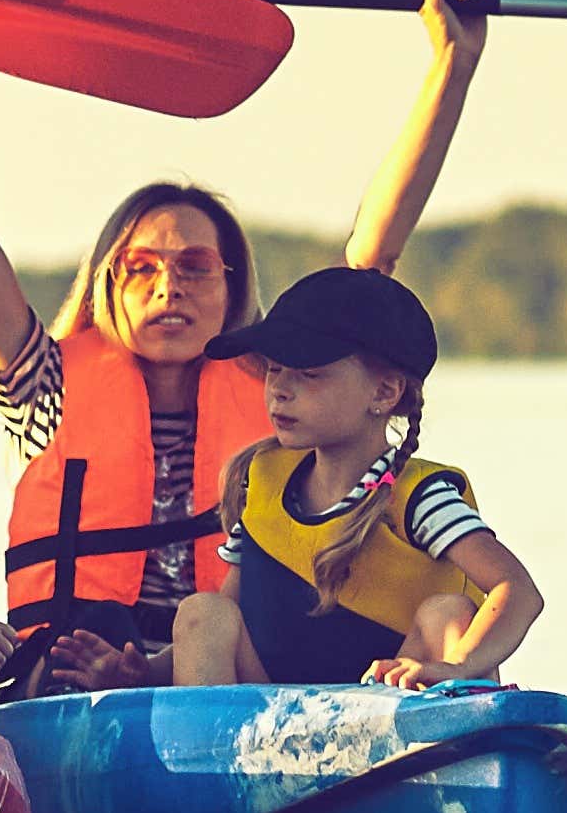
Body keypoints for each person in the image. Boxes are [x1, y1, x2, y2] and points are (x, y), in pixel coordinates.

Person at [0, 0, 497, 697]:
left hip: (233, 667)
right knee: (92, 641)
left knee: (227, 618)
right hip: (77, 673)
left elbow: (373, 258)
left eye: (195, 266)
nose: (169, 285)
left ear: (231, 282)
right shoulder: (41, 387)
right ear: (110, 282)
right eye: (142, 266)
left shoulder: (283, 385)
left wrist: (451, 66)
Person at [173, 266, 541, 688]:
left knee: (448, 614)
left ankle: (463, 738)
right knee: (204, 613)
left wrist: (454, 667)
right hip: (267, 719)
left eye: (309, 374)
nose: (280, 389)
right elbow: (233, 610)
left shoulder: (420, 499)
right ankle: (203, 753)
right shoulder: (261, 481)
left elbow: (519, 591)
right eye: (273, 369)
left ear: (384, 393)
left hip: (390, 714)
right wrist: (139, 671)